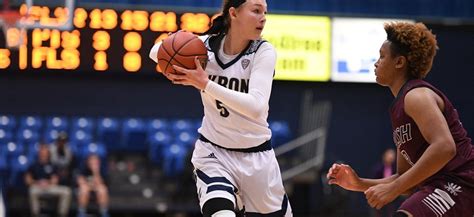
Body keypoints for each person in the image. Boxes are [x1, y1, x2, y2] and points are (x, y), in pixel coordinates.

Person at [149, 0, 293, 216]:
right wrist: (174, 61)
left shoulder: (263, 52)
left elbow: (256, 107)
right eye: (256, 10)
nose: (263, 17)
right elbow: (155, 51)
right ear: (233, 13)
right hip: (214, 153)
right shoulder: (203, 48)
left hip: (257, 158)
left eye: (265, 12)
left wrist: (205, 84)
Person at [326, 22, 474, 217]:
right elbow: (405, 180)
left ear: (399, 62)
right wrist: (358, 183)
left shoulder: (417, 95)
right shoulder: (399, 107)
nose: (376, 62)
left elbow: (445, 147)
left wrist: (394, 188)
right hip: (438, 186)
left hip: (461, 184)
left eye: (382, 56)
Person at [25, 143, 72, 217]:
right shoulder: (33, 165)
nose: (43, 153)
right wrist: (38, 182)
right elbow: (28, 180)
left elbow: (55, 180)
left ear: (48, 153)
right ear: (39, 153)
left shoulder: (52, 165)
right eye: (42, 151)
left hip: (50, 187)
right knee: (32, 191)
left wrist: (47, 183)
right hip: (37, 187)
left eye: (45, 151)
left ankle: (62, 214)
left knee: (66, 191)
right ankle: (35, 214)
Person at [369, 148, 398, 217]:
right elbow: (373, 181)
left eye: (392, 155)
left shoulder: (395, 169)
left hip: (391, 194)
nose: (391, 157)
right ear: (385, 156)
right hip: (379, 193)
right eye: (389, 155)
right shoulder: (378, 169)